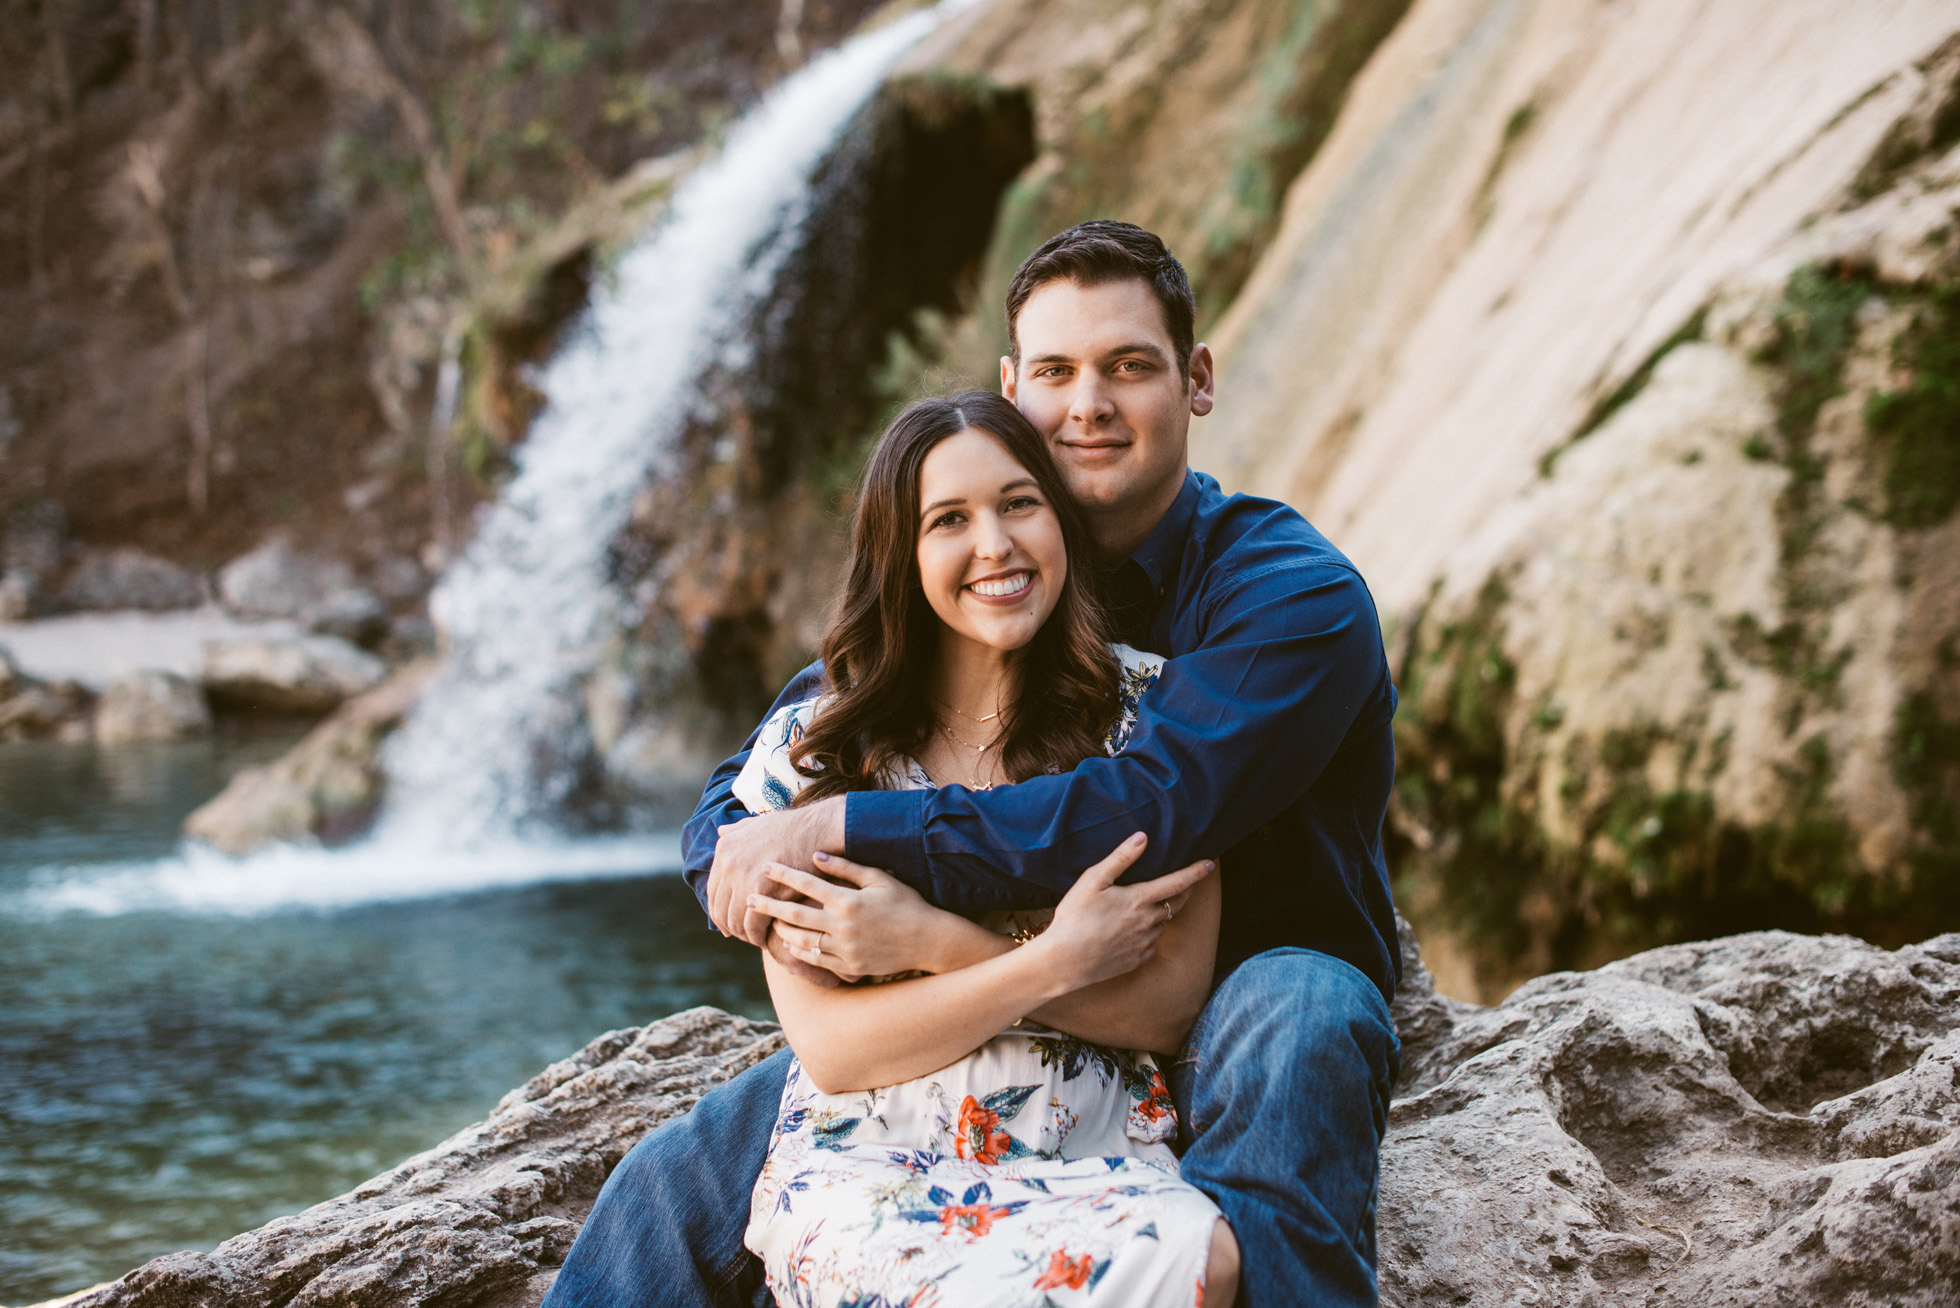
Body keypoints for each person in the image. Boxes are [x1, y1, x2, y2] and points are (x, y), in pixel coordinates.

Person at [544, 221, 1401, 1308]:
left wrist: (844, 831)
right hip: (1013, 1022)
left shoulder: (1289, 593)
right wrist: (739, 844)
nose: (1086, 404)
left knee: (1301, 1018)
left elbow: (1141, 809)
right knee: (681, 1176)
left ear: (1195, 381)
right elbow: (795, 750)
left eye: (1128, 367)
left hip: (1238, 996)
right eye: (1054, 373)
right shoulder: (1000, 569)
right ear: (1013, 391)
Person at [730, 390, 1236, 1305]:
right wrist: (1059, 962)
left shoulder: (1154, 725)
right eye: (949, 520)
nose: (995, 545)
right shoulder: (821, 756)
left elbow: (1163, 1010)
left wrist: (925, 943)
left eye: (1018, 504)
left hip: (1097, 1154)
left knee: (1201, 1256)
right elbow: (834, 1047)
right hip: (875, 1168)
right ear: (900, 554)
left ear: (1059, 520)